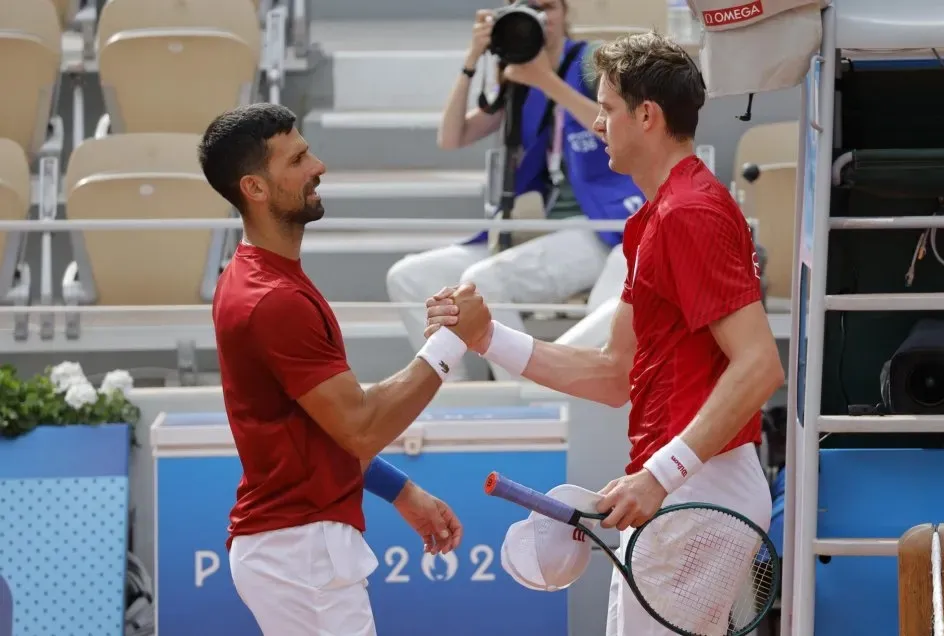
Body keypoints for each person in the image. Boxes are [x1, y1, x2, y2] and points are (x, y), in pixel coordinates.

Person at [424, 32, 785, 636]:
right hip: (690, 482)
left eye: (607, 108)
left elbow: (759, 367)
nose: (595, 122)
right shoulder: (656, 218)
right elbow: (613, 374)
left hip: (700, 486)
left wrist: (660, 475)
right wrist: (485, 338)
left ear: (647, 115)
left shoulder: (688, 211)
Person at [198, 103, 491, 636]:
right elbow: (360, 426)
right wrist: (452, 342)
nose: (319, 166)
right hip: (300, 552)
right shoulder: (273, 299)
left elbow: (326, 428)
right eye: (299, 158)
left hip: (297, 550)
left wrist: (401, 491)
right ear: (255, 189)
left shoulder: (261, 281)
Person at [386, 0, 645, 380]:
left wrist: (546, 79)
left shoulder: (591, 61)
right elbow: (451, 136)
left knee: (485, 280)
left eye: (548, 7)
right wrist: (472, 59)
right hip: (539, 229)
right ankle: (453, 394)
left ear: (565, 12)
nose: (540, 19)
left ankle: (529, 398)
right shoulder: (517, 75)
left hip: (603, 224)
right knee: (408, 277)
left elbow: (623, 130)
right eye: (528, 8)